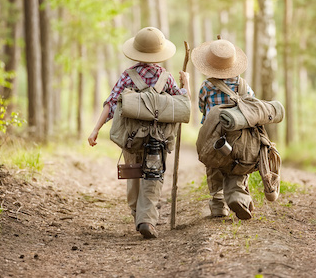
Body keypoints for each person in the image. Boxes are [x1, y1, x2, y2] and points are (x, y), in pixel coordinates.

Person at [88, 27, 190, 239]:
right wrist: (186, 83)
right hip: (157, 139)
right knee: (153, 177)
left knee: (133, 174)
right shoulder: (167, 78)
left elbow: (111, 103)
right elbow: (182, 105)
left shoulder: (128, 76)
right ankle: (146, 220)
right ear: (159, 54)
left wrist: (96, 129)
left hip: (131, 137)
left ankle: (137, 212)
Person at [191, 38, 256, 219]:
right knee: (238, 165)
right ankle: (237, 196)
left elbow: (203, 109)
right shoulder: (244, 86)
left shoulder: (207, 86)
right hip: (240, 136)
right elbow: (251, 107)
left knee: (214, 166)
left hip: (215, 136)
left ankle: (219, 203)